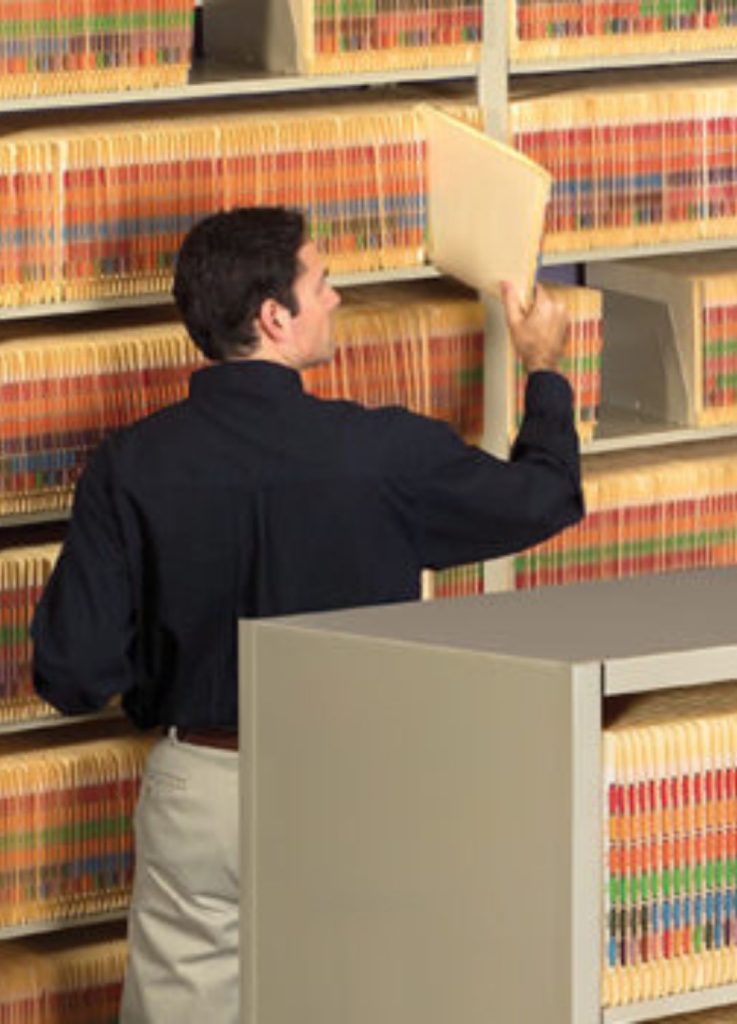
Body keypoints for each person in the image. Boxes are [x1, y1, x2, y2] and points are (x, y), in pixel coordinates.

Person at [31, 205, 584, 1023]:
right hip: (352, 786)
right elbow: (544, 497)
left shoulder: (129, 465)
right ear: (274, 317)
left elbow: (74, 675)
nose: (336, 299)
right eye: (322, 282)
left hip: (201, 788)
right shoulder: (381, 453)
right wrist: (542, 370)